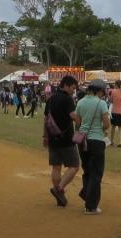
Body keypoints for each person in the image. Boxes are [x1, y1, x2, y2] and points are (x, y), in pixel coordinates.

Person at [74, 79, 111, 214]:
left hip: (83, 140)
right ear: (100, 91)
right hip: (96, 141)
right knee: (96, 173)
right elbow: (106, 124)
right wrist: (101, 129)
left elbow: (78, 123)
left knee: (87, 170)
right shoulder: (101, 103)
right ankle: (91, 206)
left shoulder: (80, 102)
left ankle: (87, 195)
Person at [44, 75, 80, 207]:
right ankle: (59, 189)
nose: (73, 91)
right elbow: (73, 116)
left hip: (52, 137)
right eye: (72, 88)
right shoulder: (67, 99)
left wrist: (45, 136)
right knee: (75, 165)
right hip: (66, 138)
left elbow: (46, 119)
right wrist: (80, 120)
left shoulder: (51, 98)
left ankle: (59, 196)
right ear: (66, 85)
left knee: (56, 166)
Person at [107, 81, 121, 147]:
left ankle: (112, 141)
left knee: (113, 127)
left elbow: (110, 100)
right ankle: (120, 142)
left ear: (116, 85)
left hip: (114, 111)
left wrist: (109, 96)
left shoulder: (113, 91)